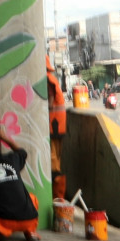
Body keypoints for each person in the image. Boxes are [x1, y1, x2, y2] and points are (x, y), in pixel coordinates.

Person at [46, 55, 67, 201]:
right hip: (58, 124)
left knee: (54, 163)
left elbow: (49, 102)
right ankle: (59, 197)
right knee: (56, 159)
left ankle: (57, 197)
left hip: (54, 124)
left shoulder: (47, 80)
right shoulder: (52, 78)